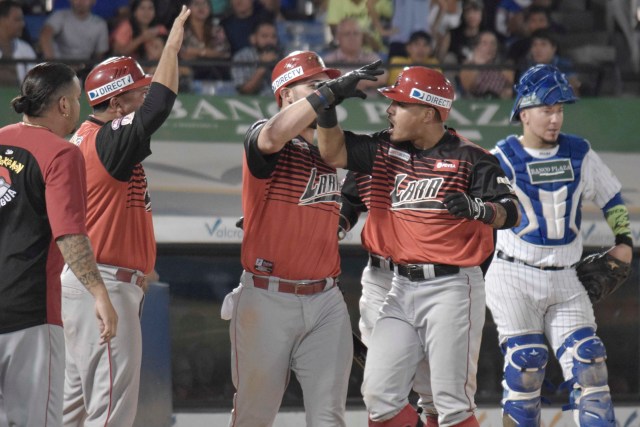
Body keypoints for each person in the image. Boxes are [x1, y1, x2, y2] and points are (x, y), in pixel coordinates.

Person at [312, 64, 520, 426]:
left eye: (399, 104)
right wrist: (326, 108)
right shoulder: (380, 149)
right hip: (396, 284)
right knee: (379, 396)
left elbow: (512, 211)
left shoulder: (472, 157)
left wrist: (481, 210)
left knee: (450, 404)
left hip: (450, 286)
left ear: (428, 112)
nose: (389, 110)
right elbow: (332, 153)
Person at [61, 6, 191, 427]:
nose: (144, 95)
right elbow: (158, 107)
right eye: (137, 90)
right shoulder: (105, 140)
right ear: (116, 103)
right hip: (104, 285)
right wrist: (172, 44)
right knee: (110, 411)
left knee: (74, 409)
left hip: (88, 282)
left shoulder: (87, 138)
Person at [484, 64, 633, 427]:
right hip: (513, 275)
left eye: (560, 109)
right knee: (525, 367)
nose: (555, 118)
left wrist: (624, 240)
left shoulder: (579, 152)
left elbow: (612, 197)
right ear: (524, 112)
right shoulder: (499, 158)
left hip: (567, 278)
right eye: (547, 109)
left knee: (590, 364)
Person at [221, 50, 353, 426]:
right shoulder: (265, 134)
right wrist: (325, 97)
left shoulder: (333, 146)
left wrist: (340, 222)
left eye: (326, 82)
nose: (325, 87)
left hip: (326, 299)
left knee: (329, 417)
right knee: (254, 415)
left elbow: (359, 185)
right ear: (286, 96)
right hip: (267, 296)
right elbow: (273, 136)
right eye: (314, 83)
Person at [0, 62, 117, 427]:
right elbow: (69, 234)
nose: (79, 107)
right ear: (63, 105)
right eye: (78, 99)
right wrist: (99, 294)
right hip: (29, 314)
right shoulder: (62, 154)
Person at [39, 0, 109, 61]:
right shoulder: (59, 16)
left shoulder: (100, 24)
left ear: (93, 1)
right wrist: (52, 64)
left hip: (85, 69)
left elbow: (100, 54)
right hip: (59, 68)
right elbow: (45, 35)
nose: (81, 1)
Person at [458, 30, 514, 99]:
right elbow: (467, 86)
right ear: (477, 46)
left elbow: (510, 83)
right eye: (485, 43)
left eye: (493, 43)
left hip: (499, 101)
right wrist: (478, 65)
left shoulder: (503, 63)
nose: (490, 47)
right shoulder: (469, 65)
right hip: (476, 100)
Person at [231, 20, 280, 95]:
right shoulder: (242, 57)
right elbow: (245, 91)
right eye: (264, 36)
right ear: (253, 39)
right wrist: (263, 66)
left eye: (273, 37)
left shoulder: (282, 56)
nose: (270, 41)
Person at [0, 1, 37, 86]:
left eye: (22, 20)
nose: (22, 24)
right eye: (17, 20)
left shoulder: (26, 49)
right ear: (2, 20)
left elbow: (34, 86)